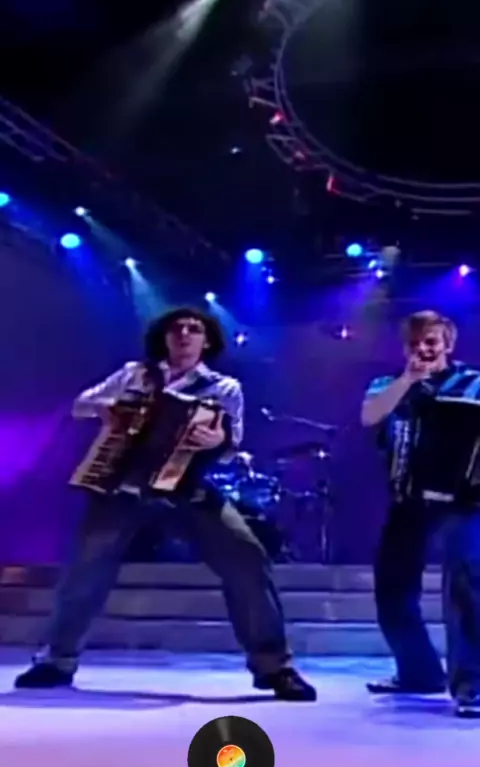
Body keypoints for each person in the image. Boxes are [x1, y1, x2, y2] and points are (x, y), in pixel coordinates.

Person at [15, 307, 316, 702]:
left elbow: (232, 445)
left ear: (207, 341)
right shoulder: (135, 374)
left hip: (186, 489)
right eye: (177, 328)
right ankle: (57, 659)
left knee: (247, 558)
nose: (185, 334)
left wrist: (218, 440)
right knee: (85, 570)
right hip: (123, 487)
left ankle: (275, 666)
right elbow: (81, 404)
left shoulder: (223, 388)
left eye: (194, 329)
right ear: (165, 337)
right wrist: (106, 409)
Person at [361, 309, 480, 717]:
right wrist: (408, 380)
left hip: (464, 500)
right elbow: (370, 417)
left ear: (448, 344)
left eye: (431, 342)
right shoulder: (387, 384)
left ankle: (472, 685)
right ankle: (419, 672)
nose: (423, 350)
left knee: (465, 583)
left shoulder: (474, 384)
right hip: (408, 497)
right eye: (414, 343)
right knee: (392, 589)